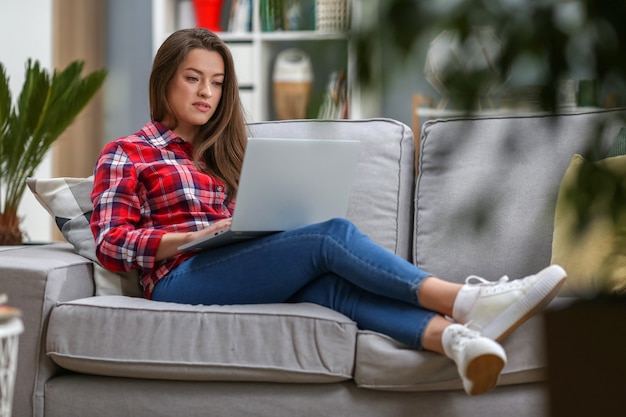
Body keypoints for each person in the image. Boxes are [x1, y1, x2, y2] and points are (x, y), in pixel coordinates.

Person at [90, 28, 567, 397]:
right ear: (165, 80)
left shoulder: (227, 153)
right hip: (178, 279)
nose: (206, 93)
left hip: (226, 263)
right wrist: (189, 239)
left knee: (330, 288)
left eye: (217, 83)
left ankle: (457, 342)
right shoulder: (128, 152)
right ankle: (466, 301)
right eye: (193, 79)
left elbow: (245, 228)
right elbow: (111, 243)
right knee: (329, 235)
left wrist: (252, 226)